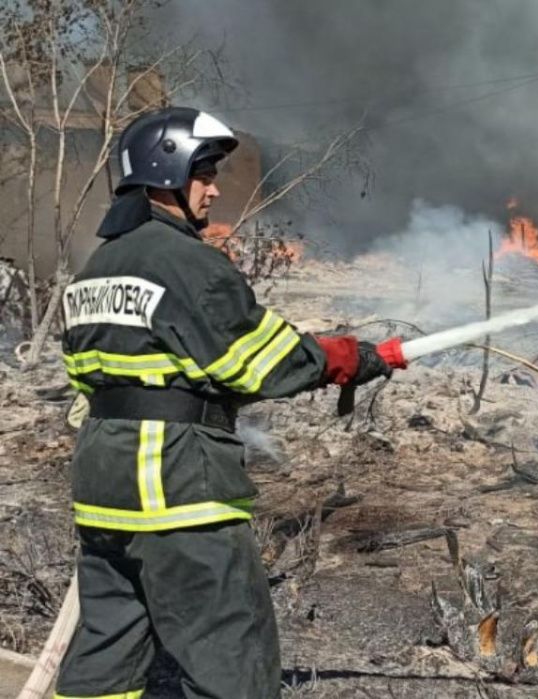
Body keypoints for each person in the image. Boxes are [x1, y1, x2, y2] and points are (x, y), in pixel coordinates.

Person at [54, 106, 400, 699]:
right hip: (178, 493)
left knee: (105, 658)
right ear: (166, 173)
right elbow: (262, 362)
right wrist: (347, 357)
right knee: (229, 657)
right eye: (204, 173)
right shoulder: (188, 263)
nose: (214, 190)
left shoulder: (97, 267)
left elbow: (87, 380)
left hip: (103, 492)